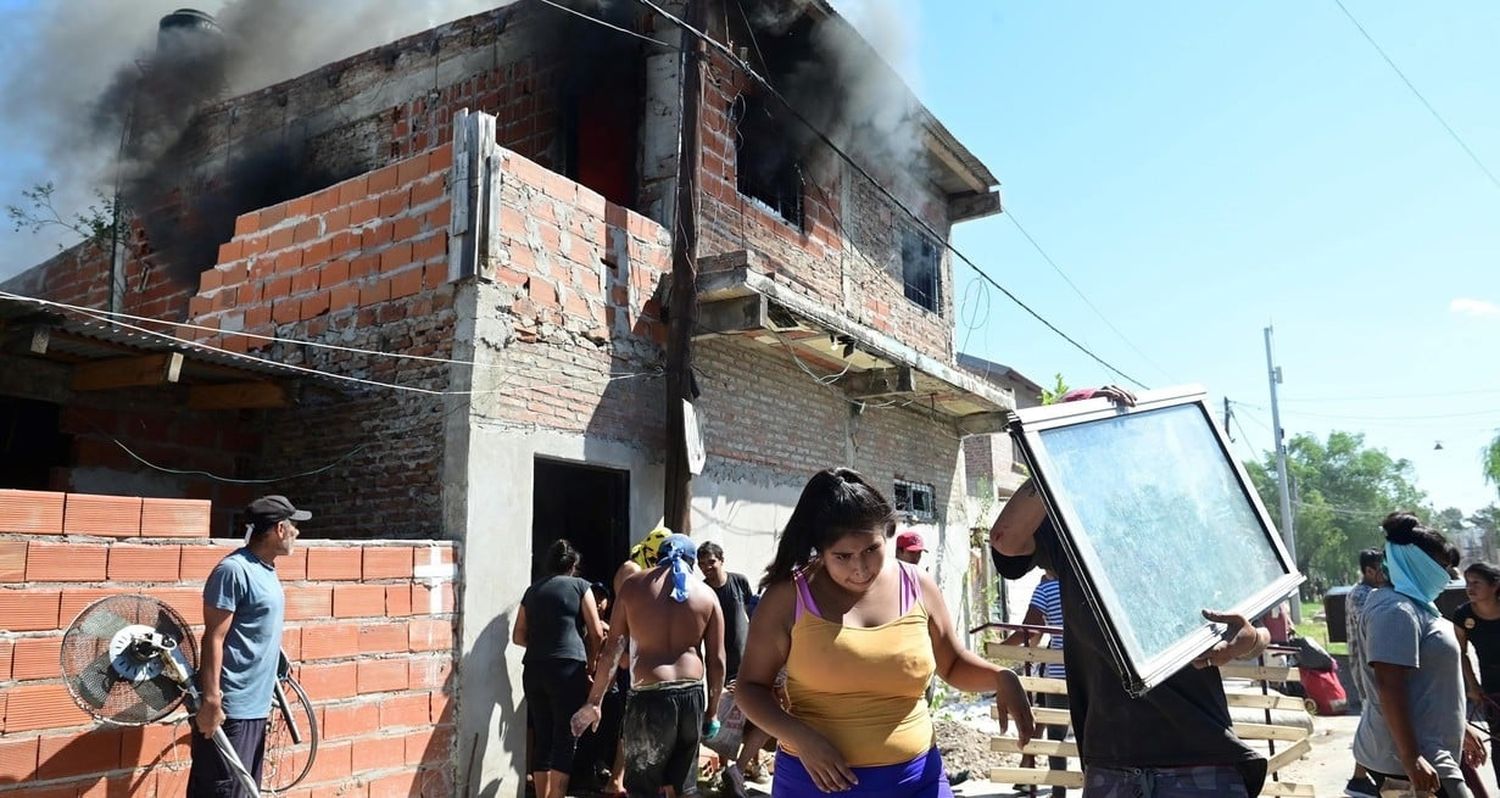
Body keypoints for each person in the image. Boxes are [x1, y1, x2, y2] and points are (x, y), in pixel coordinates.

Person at [990, 385, 1273, 797]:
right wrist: (1058, 451)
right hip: (1113, 765)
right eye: (1077, 440)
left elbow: (1256, 631)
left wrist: (1248, 640)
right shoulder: (1067, 538)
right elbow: (1006, 540)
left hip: (1200, 757)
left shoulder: (1181, 527)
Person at [734, 468, 1034, 798]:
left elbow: (952, 664)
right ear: (820, 549)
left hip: (918, 781)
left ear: (887, 534)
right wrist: (801, 737)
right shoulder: (788, 597)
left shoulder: (917, 585)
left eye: (871, 549)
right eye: (843, 557)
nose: (860, 568)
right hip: (815, 785)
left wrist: (1000, 676)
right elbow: (750, 688)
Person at [573, 534, 726, 798]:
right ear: (691, 561)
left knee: (643, 788)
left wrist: (594, 701)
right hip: (691, 697)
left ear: (656, 558)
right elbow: (718, 661)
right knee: (682, 788)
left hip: (649, 696)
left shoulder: (633, 587)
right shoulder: (707, 595)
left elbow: (612, 649)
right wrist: (712, 712)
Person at [1354, 511, 1486, 797]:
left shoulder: (1418, 606)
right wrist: (1411, 757)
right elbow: (1390, 686)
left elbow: (1426, 685)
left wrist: (1459, 724)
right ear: (1417, 563)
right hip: (1410, 760)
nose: (1445, 575)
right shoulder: (1396, 610)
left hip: (1432, 752)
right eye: (1440, 566)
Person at [190, 495, 306, 798]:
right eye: (293, 526)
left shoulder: (266, 570)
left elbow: (255, 628)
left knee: (245, 792)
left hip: (257, 706)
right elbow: (213, 637)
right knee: (221, 792)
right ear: (279, 529)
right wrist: (212, 702)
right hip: (231, 710)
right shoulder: (233, 570)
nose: (297, 532)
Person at [513, 540, 605, 798]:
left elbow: (518, 636)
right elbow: (596, 632)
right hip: (567, 668)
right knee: (566, 735)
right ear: (574, 565)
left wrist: (544, 642)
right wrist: (592, 662)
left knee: (543, 734)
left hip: (533, 668)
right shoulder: (580, 586)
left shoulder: (532, 591)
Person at [697, 542, 767, 798]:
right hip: (720, 665)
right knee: (725, 720)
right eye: (702, 564)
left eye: (710, 562)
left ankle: (754, 764)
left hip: (747, 661)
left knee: (756, 714)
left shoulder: (738, 582)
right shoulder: (702, 591)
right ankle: (725, 771)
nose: (707, 568)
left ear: (721, 560)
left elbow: (753, 613)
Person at [1000, 570, 1068, 798]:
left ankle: (1059, 792)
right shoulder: (1088, 583)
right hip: (1090, 671)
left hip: (1059, 673)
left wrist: (999, 648)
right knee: (1089, 733)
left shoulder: (1046, 589)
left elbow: (1030, 629)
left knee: (1056, 735)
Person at [1345, 548, 1388, 797]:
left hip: (1369, 666)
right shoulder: (1362, 595)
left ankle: (1360, 776)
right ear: (1369, 571)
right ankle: (1360, 777)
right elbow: (1373, 625)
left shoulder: (1370, 593)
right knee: (1372, 720)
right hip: (1365, 668)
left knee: (1371, 720)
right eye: (1380, 569)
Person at [1453, 561, 1500, 787]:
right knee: (1499, 744)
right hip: (1491, 690)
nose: (1470, 588)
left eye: (1476, 583)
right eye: (1467, 583)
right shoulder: (1463, 615)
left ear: (1494, 586)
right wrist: (1473, 686)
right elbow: (1460, 652)